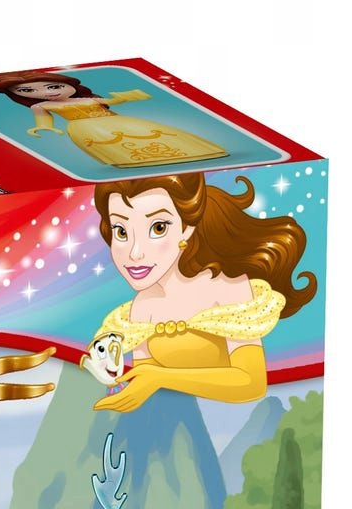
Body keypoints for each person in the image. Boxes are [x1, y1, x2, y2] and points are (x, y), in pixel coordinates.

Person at [87, 173, 316, 414]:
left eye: (158, 227)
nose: (135, 253)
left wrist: (159, 377)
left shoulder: (226, 286)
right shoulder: (142, 306)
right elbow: (148, 388)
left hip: (239, 417)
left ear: (186, 228)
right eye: (121, 232)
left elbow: (253, 383)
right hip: (182, 421)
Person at [0, 69, 225, 169]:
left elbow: (112, 101)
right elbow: (43, 120)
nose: (45, 93)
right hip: (86, 128)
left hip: (117, 120)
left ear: (68, 85)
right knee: (115, 145)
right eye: (26, 91)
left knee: (150, 134)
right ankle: (132, 162)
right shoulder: (42, 105)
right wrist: (43, 128)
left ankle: (185, 153)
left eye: (54, 86)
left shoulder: (87, 99)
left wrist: (127, 97)